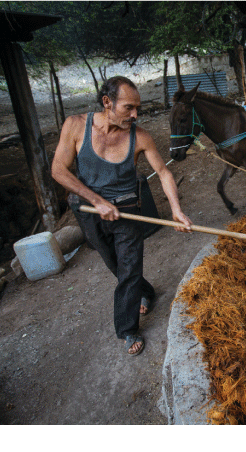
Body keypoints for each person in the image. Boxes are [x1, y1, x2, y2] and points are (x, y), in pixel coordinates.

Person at [51, 76, 193, 356]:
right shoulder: (76, 126)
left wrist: (176, 210)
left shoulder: (140, 137)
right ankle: (146, 291)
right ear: (107, 102)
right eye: (129, 107)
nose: (135, 114)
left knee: (128, 269)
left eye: (137, 108)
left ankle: (127, 330)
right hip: (89, 211)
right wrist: (96, 200)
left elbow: (163, 173)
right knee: (115, 264)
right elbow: (58, 170)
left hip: (128, 211)